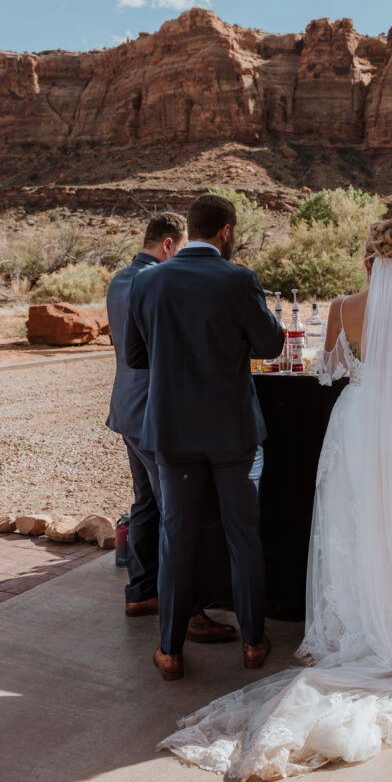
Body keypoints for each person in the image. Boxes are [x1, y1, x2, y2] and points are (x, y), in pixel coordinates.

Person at [158, 219, 392, 782]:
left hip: (356, 423)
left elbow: (325, 371)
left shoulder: (341, 307)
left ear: (366, 262)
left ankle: (359, 623)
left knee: (356, 526)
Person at [124, 193, 284, 681]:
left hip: (171, 433)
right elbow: (272, 345)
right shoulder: (239, 279)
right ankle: (254, 644)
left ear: (190, 230)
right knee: (243, 537)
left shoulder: (148, 282)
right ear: (227, 232)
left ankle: (169, 651)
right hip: (233, 434)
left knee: (176, 538)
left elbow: (135, 356)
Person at [106, 212, 233, 643]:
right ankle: (192, 613)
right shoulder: (155, 283)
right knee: (178, 516)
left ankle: (141, 593)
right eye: (178, 250)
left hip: (125, 407)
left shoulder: (119, 281)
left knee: (146, 504)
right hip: (154, 413)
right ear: (168, 245)